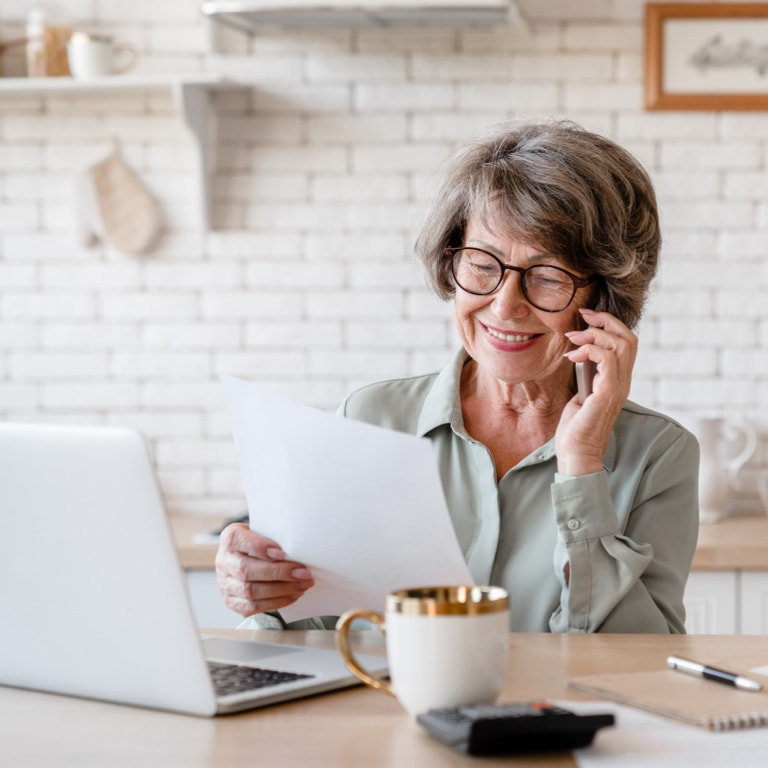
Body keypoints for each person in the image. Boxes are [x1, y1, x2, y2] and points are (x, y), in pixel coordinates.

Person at [215, 119, 699, 633]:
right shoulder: (371, 418)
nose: (505, 306)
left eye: (549, 276)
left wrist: (581, 469)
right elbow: (307, 633)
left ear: (603, 300)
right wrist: (265, 594)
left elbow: (637, 659)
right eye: (483, 264)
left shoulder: (659, 456)